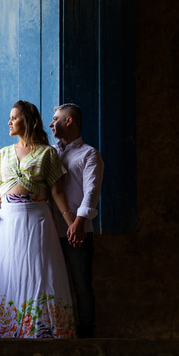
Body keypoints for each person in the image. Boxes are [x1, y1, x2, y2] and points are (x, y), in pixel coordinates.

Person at [0, 100, 77, 339]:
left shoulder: (48, 153)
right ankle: (5, 332)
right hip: (6, 225)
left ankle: (41, 332)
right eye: (10, 117)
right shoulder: (3, 153)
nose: (9, 122)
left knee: (39, 272)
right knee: (8, 273)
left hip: (36, 222)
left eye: (14, 117)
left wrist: (72, 224)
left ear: (29, 120)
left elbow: (57, 192)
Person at [48, 102, 104, 338]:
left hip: (78, 231)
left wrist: (79, 222)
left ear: (68, 121)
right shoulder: (49, 152)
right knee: (51, 281)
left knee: (81, 284)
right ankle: (55, 328)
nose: (51, 124)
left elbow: (91, 191)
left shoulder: (89, 154)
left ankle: (86, 334)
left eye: (55, 119)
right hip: (49, 230)